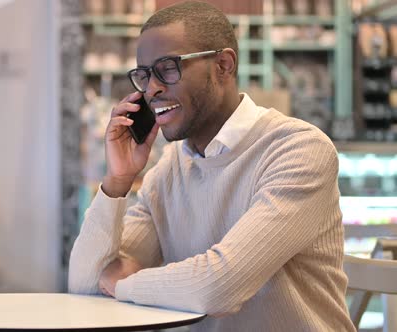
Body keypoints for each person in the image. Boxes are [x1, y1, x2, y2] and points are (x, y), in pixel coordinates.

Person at [68, 1, 355, 331]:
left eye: (168, 68)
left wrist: (124, 285)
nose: (152, 89)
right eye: (144, 75)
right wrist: (117, 180)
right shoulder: (170, 169)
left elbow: (220, 287)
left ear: (223, 65)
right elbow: (87, 284)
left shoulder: (298, 149)